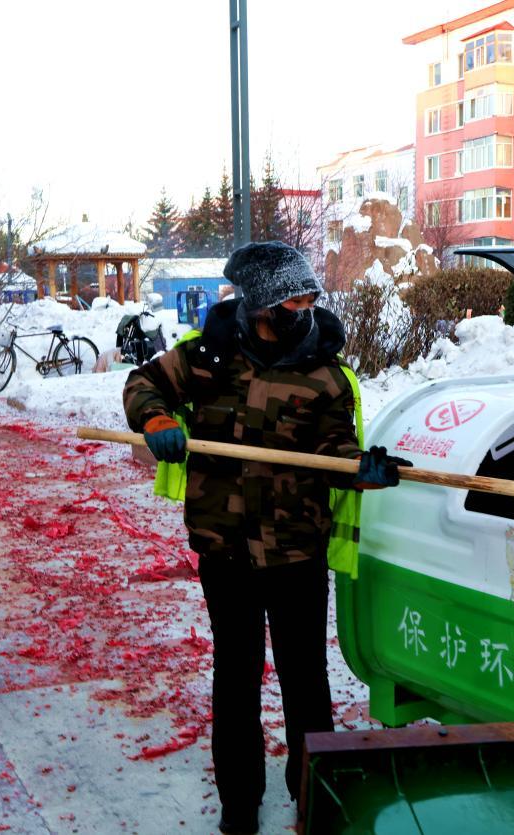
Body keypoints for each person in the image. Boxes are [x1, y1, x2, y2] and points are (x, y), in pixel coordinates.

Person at [123, 241, 409, 834]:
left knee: (305, 680)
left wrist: (363, 470)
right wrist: (156, 418)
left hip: (295, 549)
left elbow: (335, 451)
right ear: (259, 305)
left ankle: (313, 794)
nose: (305, 310)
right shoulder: (207, 356)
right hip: (224, 547)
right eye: (293, 301)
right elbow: (143, 384)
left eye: (309, 299)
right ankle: (239, 801)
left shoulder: (324, 375)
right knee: (236, 675)